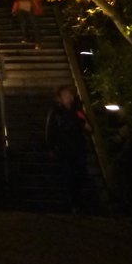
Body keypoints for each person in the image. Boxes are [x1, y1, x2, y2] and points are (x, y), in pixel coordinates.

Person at [45, 85, 91, 213]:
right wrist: (50, 147)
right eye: (65, 95)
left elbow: (86, 125)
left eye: (69, 94)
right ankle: (73, 202)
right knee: (69, 175)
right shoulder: (55, 112)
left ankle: (78, 200)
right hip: (64, 147)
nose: (68, 97)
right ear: (59, 98)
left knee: (81, 173)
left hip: (78, 146)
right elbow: (50, 129)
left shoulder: (77, 111)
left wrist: (86, 126)